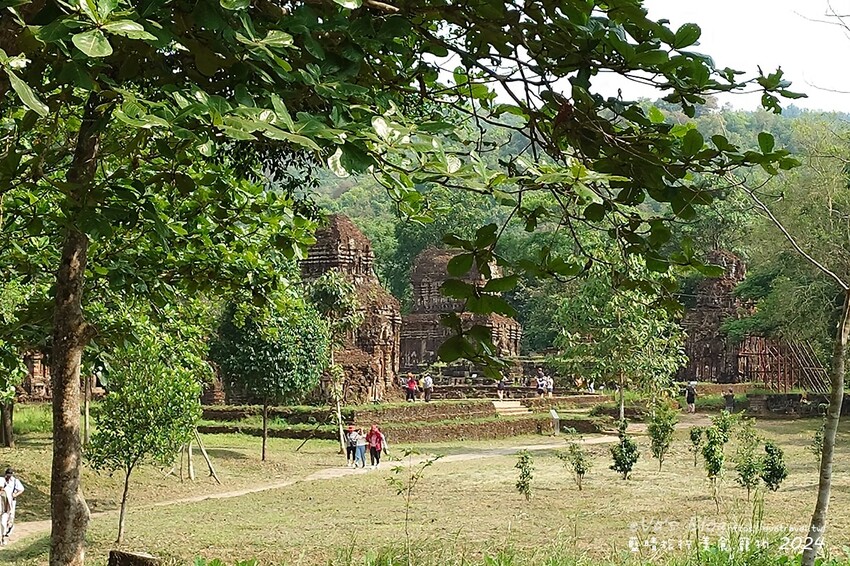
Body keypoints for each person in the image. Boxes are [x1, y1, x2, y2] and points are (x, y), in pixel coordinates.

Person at [0, 468, 23, 538]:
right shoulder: (2, 480)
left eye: (10, 475)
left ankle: (9, 528)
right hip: (3, 500)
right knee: (4, 515)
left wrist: (15, 494)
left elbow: (21, 489)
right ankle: (4, 531)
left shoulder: (15, 481)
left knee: (11, 515)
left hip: (12, 500)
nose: (8, 477)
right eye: (7, 475)